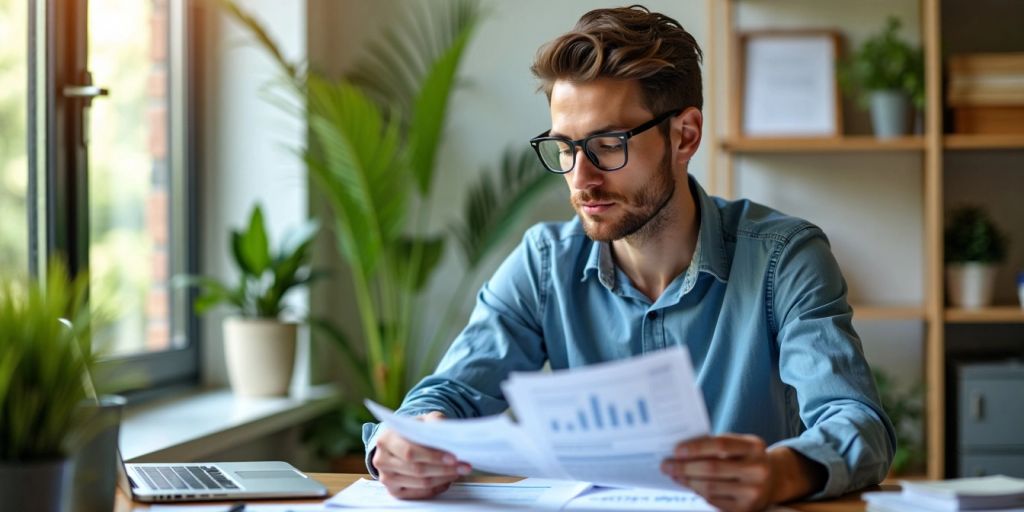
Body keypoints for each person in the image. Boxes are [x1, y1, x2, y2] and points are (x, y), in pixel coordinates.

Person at [362, 5, 895, 511]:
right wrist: (406, 438)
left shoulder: (784, 258)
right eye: (566, 147)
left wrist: (781, 472)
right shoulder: (544, 264)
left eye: (608, 144)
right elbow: (449, 392)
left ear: (684, 135)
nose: (581, 178)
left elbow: (856, 422)